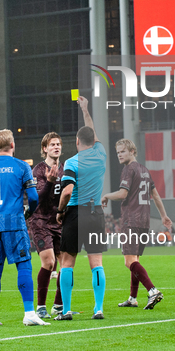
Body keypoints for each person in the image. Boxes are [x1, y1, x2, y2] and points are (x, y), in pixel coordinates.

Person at [0, 129, 48, 326]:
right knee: (23, 265)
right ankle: (30, 313)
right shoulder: (21, 166)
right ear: (12, 145)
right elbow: (33, 197)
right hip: (14, 222)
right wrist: (28, 212)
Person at [101, 138, 172, 310]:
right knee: (135, 259)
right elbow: (155, 195)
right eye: (117, 152)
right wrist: (164, 215)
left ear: (132, 151)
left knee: (128, 261)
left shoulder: (128, 169)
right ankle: (132, 298)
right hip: (144, 220)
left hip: (131, 220)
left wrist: (106, 196)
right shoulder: (145, 171)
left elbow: (122, 195)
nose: (119, 155)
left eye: (123, 151)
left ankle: (152, 290)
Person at [54, 96, 107, 321]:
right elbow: (92, 134)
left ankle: (65, 310)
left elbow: (67, 191)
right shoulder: (101, 154)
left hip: (75, 213)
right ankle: (98, 309)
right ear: (93, 141)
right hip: (95, 213)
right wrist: (85, 110)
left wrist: (59, 211)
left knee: (68, 262)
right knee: (96, 263)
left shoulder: (72, 162)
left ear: (77, 141)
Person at [29, 132, 64, 319]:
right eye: (52, 145)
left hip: (59, 221)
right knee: (50, 262)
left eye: (58, 144)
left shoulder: (65, 169)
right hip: (41, 220)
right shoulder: (38, 170)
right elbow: (37, 199)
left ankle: (58, 306)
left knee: (66, 264)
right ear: (45, 148)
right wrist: (49, 183)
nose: (56, 147)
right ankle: (40, 306)